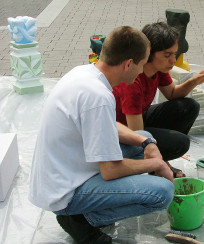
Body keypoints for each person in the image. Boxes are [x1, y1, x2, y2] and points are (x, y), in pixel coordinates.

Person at [28, 26, 175, 244]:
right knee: (162, 192)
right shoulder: (98, 97)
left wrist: (147, 141)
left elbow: (109, 125)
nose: (143, 70)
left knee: (141, 136)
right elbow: (110, 170)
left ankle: (85, 212)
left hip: (64, 171)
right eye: (142, 64)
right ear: (128, 64)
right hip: (65, 192)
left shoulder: (85, 73)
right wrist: (158, 164)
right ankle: (81, 218)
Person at [113, 22, 204, 177]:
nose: (173, 60)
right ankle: (155, 165)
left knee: (189, 106)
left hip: (138, 121)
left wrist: (196, 80)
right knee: (180, 143)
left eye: (174, 54)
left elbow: (172, 93)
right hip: (122, 134)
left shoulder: (158, 68)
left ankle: (160, 161)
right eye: (167, 55)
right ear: (148, 53)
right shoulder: (133, 81)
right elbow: (138, 133)